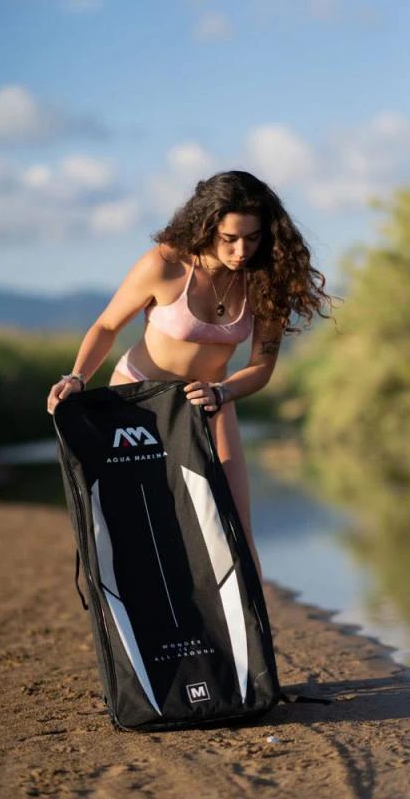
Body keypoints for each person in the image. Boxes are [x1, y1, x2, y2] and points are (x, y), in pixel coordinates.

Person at [47, 171, 333, 582]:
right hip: (138, 402)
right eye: (230, 238)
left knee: (234, 525)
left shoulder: (266, 281)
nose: (241, 250)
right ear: (206, 227)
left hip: (210, 401)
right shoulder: (164, 266)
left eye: (252, 238)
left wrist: (222, 393)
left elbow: (261, 367)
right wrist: (76, 376)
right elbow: (107, 326)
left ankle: (249, 623)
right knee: (143, 524)